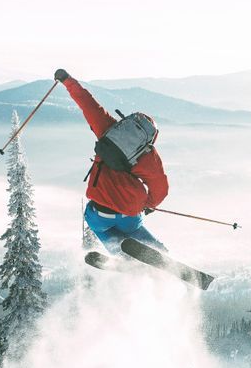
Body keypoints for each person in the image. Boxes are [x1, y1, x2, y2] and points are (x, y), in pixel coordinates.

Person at [54, 68, 169, 253]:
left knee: (96, 222)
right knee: (135, 228)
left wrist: (67, 80)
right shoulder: (149, 156)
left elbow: (88, 103)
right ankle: (159, 251)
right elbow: (160, 188)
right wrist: (149, 205)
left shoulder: (108, 129)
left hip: (100, 213)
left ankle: (118, 254)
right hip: (130, 213)